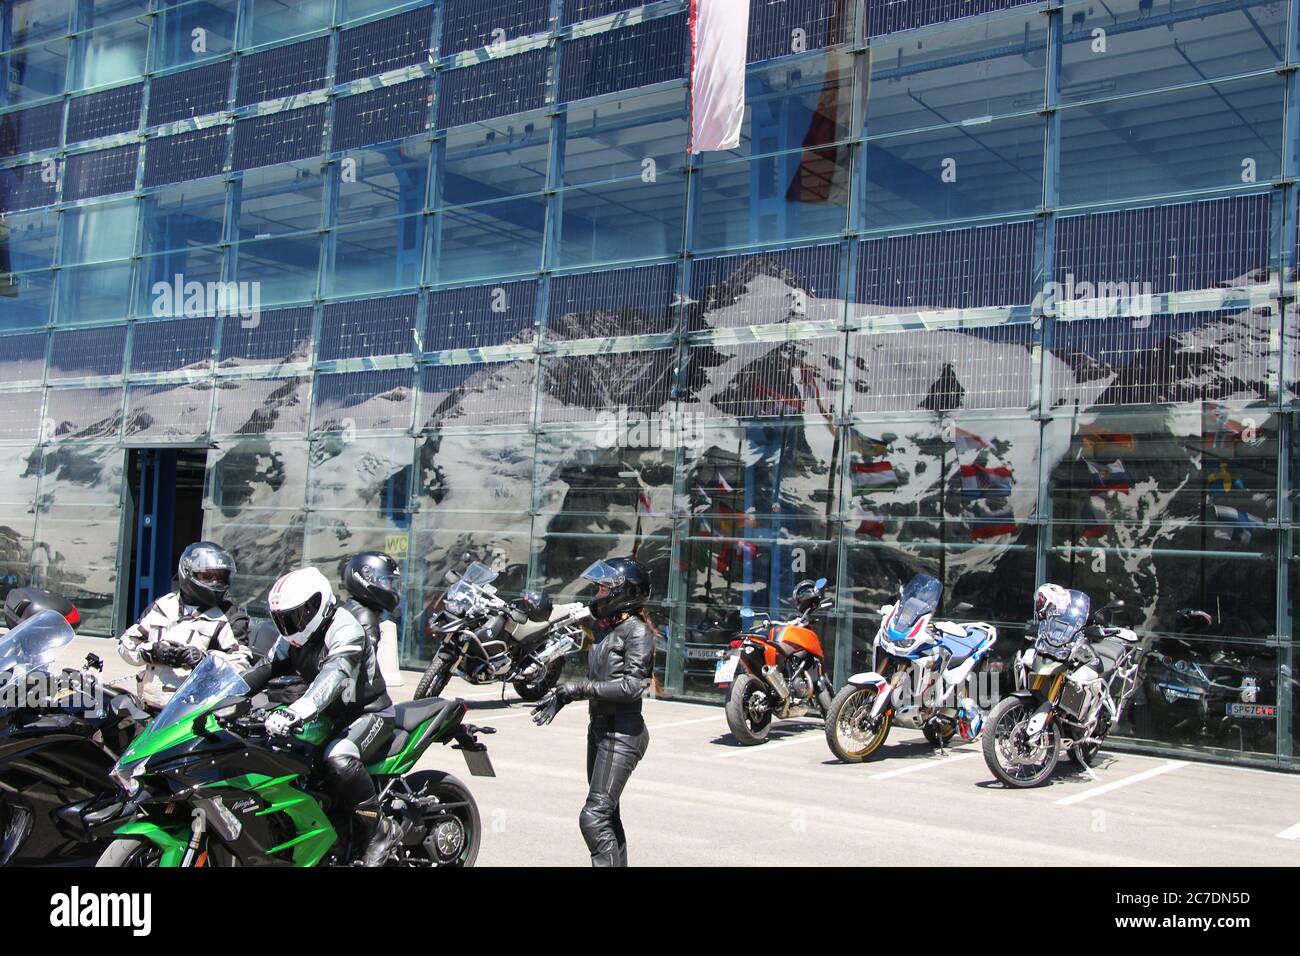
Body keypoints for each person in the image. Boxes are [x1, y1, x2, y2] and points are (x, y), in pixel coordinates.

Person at [242, 566, 397, 867]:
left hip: (368, 712)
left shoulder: (345, 629)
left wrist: (295, 711)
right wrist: (220, 698)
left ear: (320, 603)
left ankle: (380, 831)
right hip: (327, 716)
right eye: (284, 619)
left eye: (297, 615)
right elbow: (262, 669)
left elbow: (333, 677)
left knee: (337, 757)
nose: (290, 625)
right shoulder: (294, 637)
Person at [532, 557, 653, 867]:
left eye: (604, 588)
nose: (598, 594)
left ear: (623, 592)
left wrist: (577, 689)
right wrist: (562, 694)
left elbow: (632, 687)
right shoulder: (612, 629)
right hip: (600, 729)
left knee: (593, 817)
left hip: (622, 733)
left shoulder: (636, 631)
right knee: (608, 815)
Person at [117, 542, 250, 709]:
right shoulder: (163, 605)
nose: (215, 582)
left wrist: (204, 660)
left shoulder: (230, 617)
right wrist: (153, 652)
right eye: (208, 576)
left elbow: (241, 666)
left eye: (220, 577)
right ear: (187, 573)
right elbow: (125, 644)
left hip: (191, 713)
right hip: (148, 705)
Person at [340, 551, 402, 649]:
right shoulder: (365, 618)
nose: (390, 588)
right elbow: (367, 663)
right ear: (366, 577)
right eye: (386, 581)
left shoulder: (351, 608)